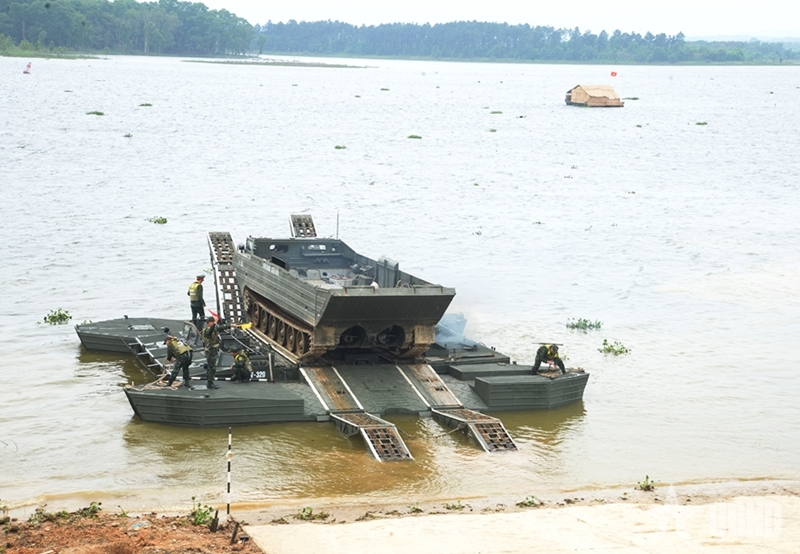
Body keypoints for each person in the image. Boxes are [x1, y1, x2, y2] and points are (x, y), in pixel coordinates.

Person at [201, 316, 235, 389]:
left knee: (212, 367)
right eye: (212, 322)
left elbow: (220, 327)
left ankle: (211, 382)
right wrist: (214, 324)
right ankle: (210, 383)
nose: (214, 323)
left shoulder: (214, 328)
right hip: (210, 350)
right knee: (211, 367)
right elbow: (210, 331)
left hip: (214, 350)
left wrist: (230, 325)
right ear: (209, 323)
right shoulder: (206, 330)